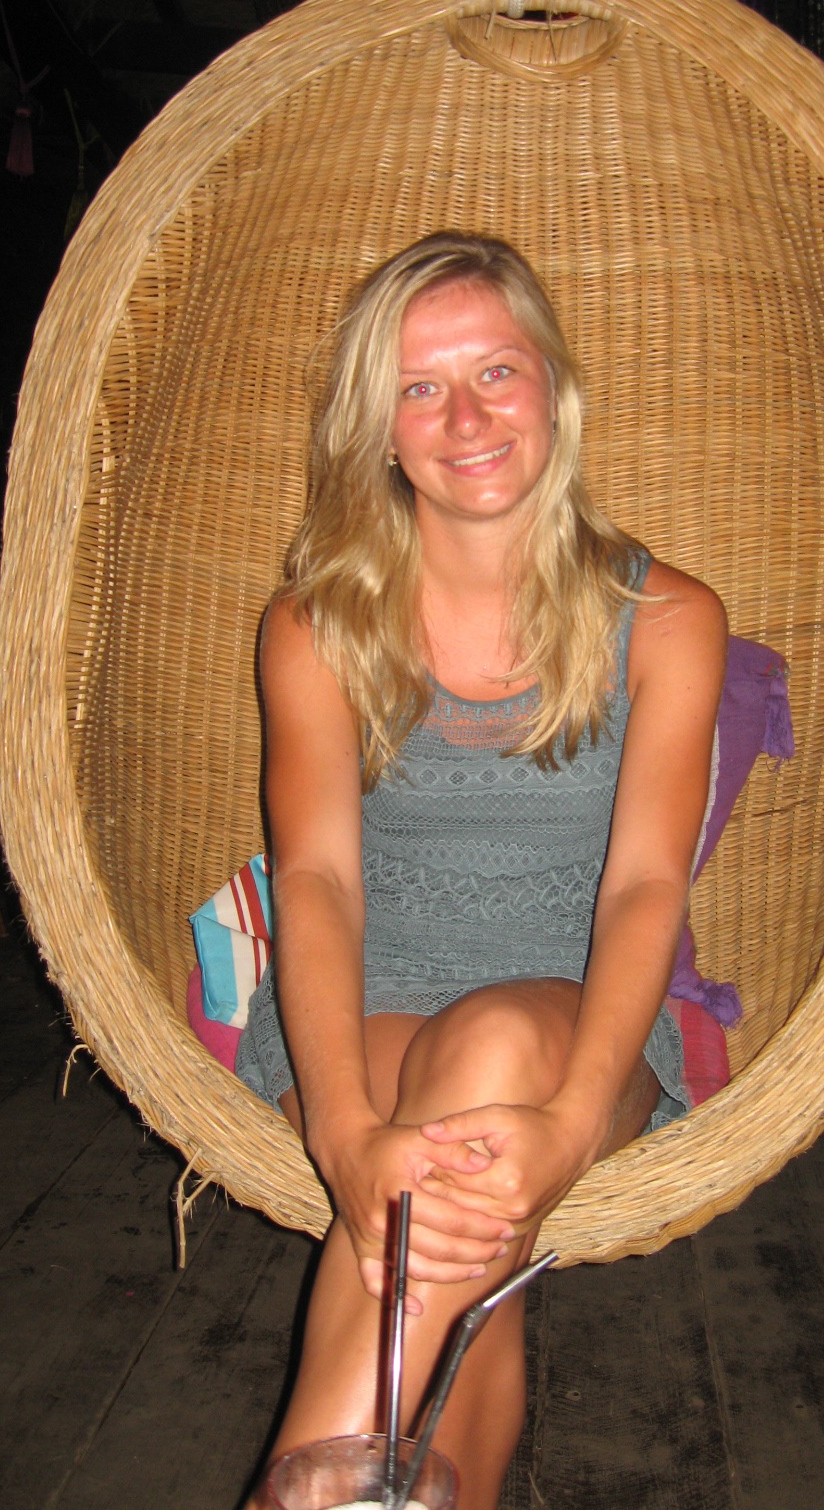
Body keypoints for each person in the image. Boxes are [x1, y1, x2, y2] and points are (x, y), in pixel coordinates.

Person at [239, 233, 726, 1509]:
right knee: (464, 1233)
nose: (466, 418)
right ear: (380, 430)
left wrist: (572, 1123)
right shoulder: (315, 626)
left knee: (497, 1053)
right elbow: (318, 883)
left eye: (496, 371)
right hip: (359, 1023)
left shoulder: (668, 621)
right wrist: (343, 1132)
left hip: (581, 1025)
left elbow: (645, 889)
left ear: (554, 388)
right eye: (421, 387)